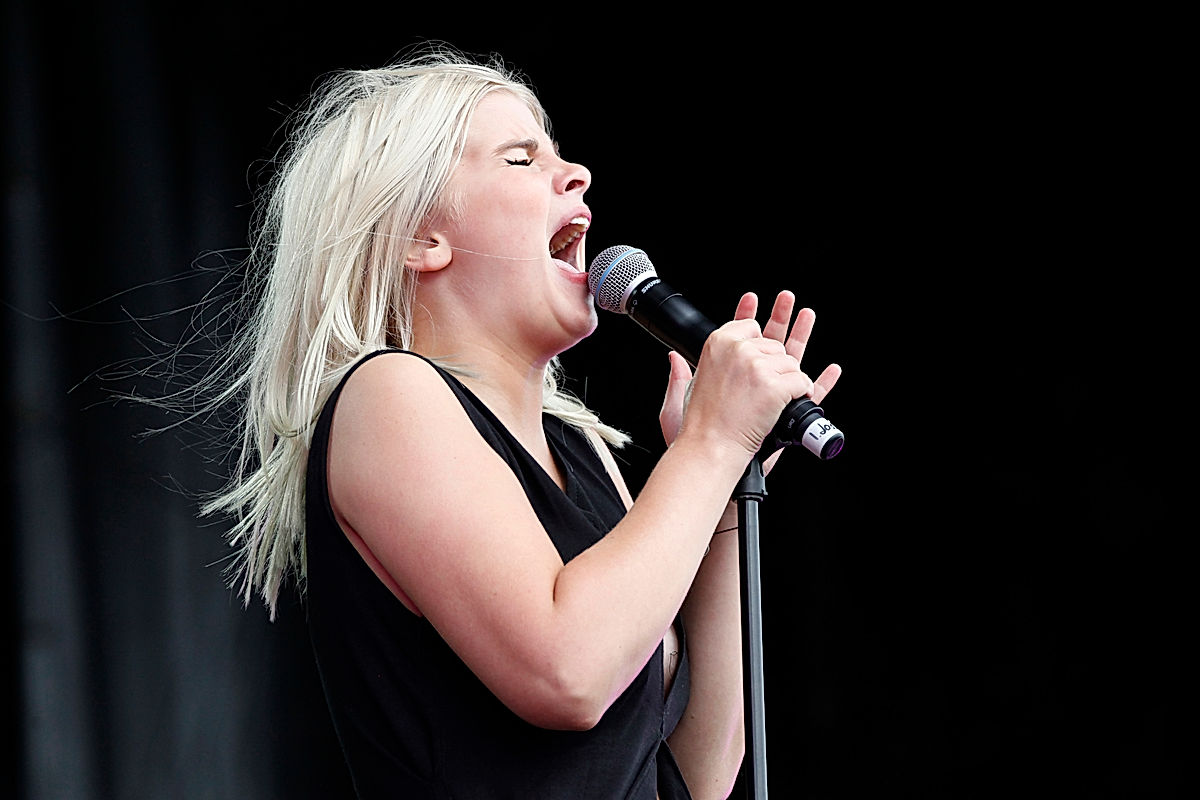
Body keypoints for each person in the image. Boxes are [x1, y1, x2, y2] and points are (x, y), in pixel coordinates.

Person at [208, 48, 841, 799]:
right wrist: (708, 446)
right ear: (420, 238)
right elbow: (567, 670)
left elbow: (695, 773)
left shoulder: (584, 455)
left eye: (562, 155)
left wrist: (730, 487)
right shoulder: (388, 396)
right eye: (520, 158)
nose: (577, 176)